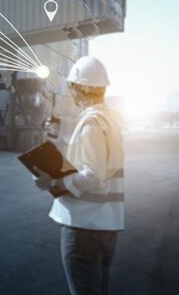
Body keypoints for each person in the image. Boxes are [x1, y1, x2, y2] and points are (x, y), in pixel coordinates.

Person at [33, 56, 124, 295]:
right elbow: (94, 155)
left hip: (84, 230)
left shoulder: (92, 123)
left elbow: (93, 176)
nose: (71, 93)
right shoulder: (109, 121)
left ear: (82, 88)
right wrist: (59, 133)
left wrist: (53, 181)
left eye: (72, 87)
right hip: (106, 227)